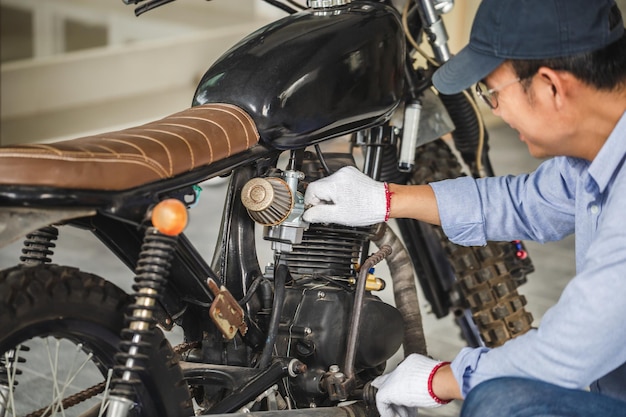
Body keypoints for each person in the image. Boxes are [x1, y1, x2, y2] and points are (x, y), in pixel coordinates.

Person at [302, 0, 626, 416]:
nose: (494, 108)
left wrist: (439, 380)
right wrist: (385, 199)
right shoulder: (594, 157)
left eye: (490, 92)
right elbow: (523, 202)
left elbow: (568, 351)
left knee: (499, 403)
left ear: (550, 87)